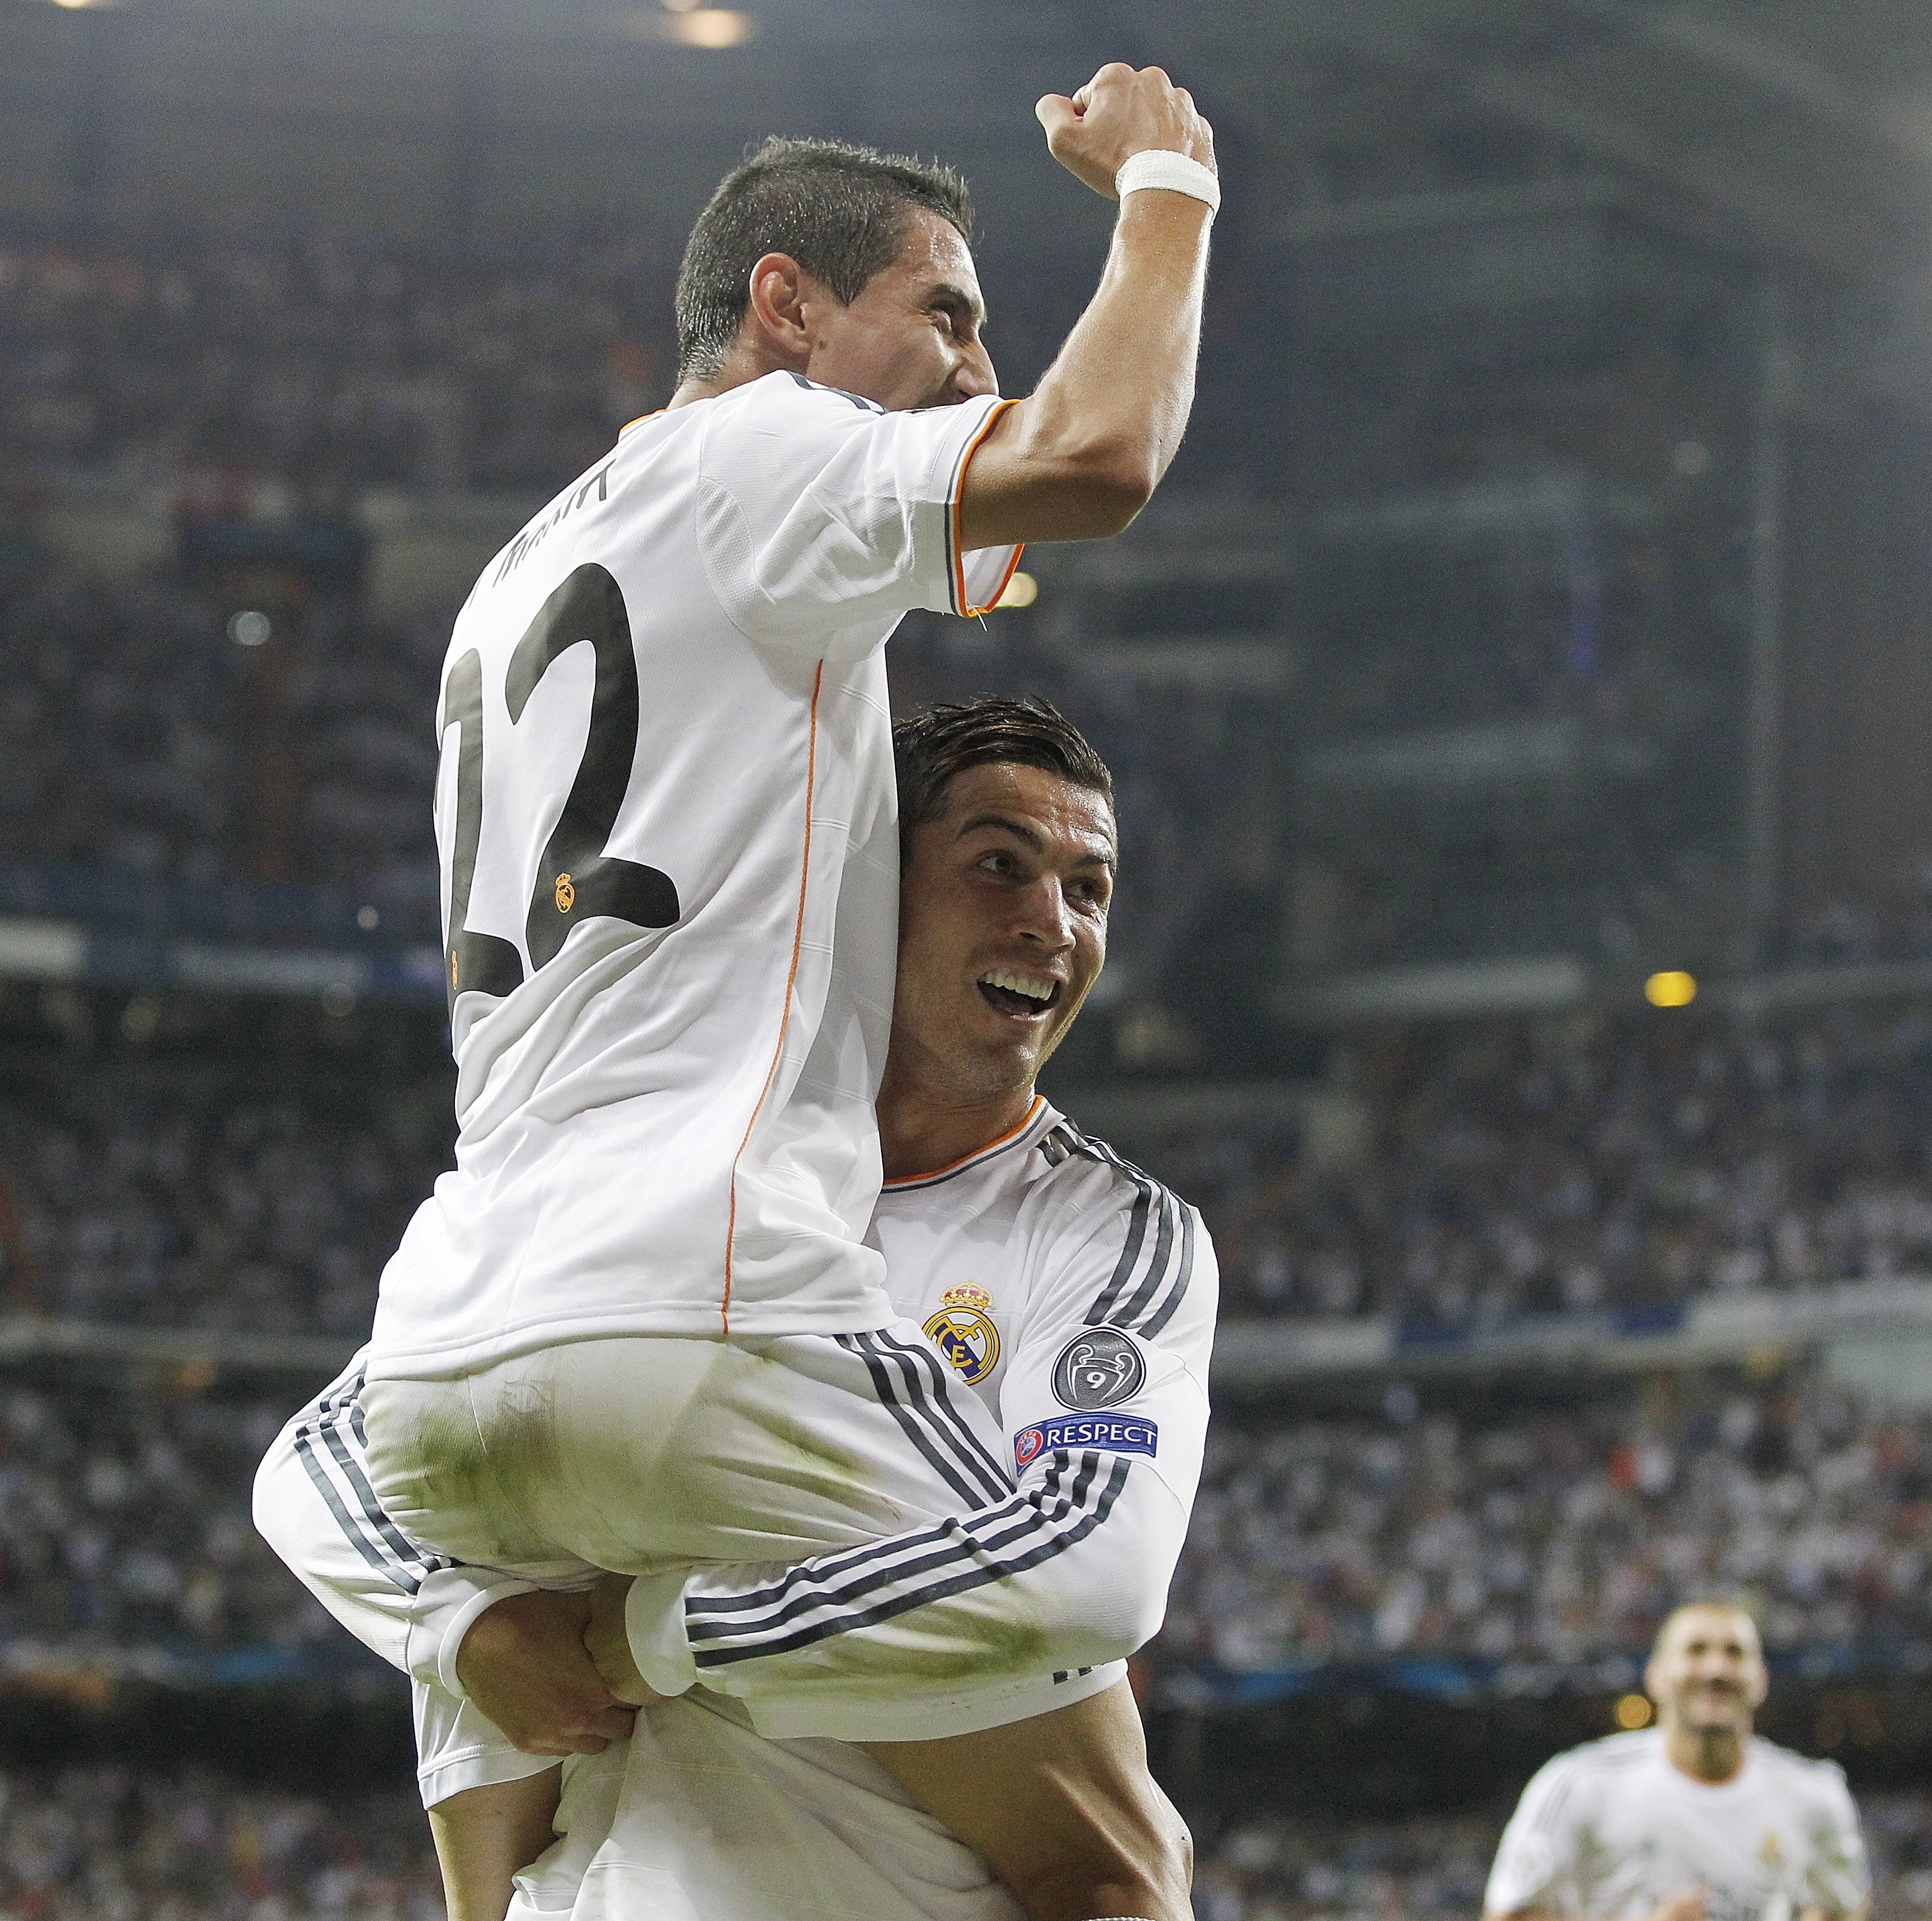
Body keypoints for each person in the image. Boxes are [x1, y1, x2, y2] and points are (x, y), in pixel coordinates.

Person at [262, 60, 1219, 1921]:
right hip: (695, 1300)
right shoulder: (762, 453)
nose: (969, 364)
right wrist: (1165, 186)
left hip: (453, 1330)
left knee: (508, 1723)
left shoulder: (523, 570)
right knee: (1115, 1826)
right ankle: (643, 1650)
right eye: (943, 311)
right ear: (784, 308)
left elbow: (988, 559)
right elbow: (1098, 455)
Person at [261, 697, 1216, 1920]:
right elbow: (326, 1449)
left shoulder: (1101, 1231)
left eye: (1089, 889)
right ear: (868, 887)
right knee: (479, 1508)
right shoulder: (682, 1162)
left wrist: (667, 1633)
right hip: (610, 1887)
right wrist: (465, 1625)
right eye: (999, 866)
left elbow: (1090, 1564)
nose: (1053, 922)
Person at [1482, 1601, 1871, 1921]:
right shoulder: (1579, 1784)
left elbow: (1846, 1907)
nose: (1716, 1669)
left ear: (1760, 1680)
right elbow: (1508, 1915)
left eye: (1734, 1653)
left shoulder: (1815, 1793)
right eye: (1696, 1651)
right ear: (1656, 1677)